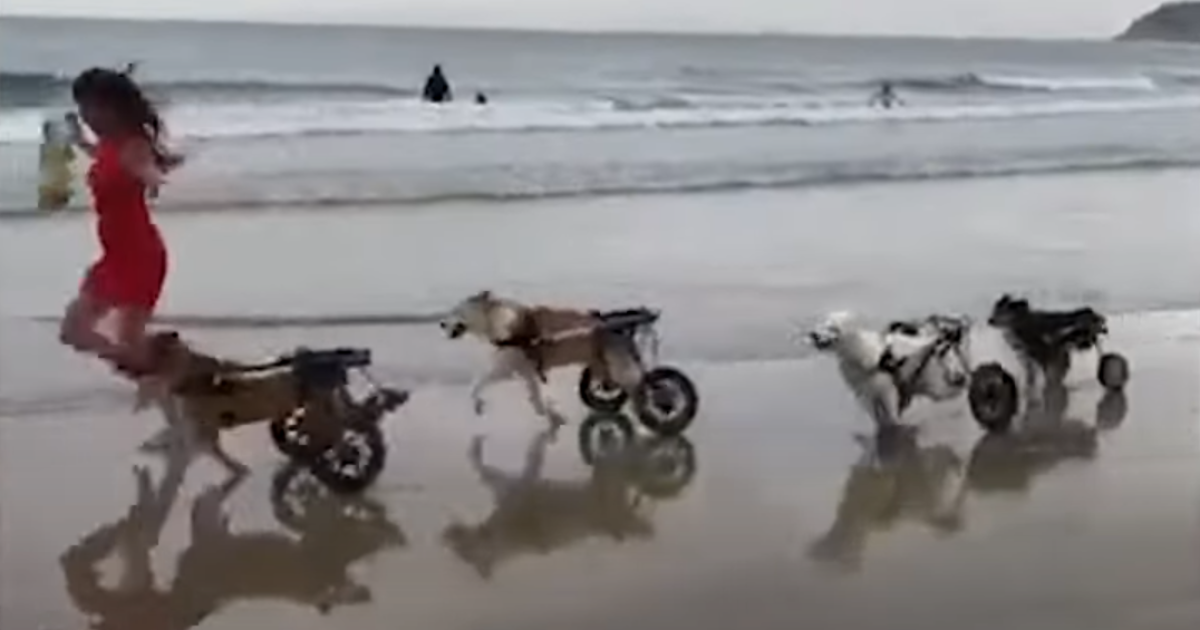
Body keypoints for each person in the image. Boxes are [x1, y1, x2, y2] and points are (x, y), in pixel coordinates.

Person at [59, 66, 183, 377]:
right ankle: (167, 366)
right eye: (81, 107)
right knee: (73, 331)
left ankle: (170, 376)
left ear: (114, 108)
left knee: (129, 344)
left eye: (92, 107)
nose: (86, 115)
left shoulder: (133, 145)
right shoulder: (110, 145)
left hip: (141, 257)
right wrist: (78, 139)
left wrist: (152, 177)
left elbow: (143, 166)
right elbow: (102, 156)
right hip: (114, 257)